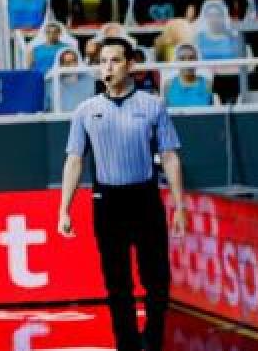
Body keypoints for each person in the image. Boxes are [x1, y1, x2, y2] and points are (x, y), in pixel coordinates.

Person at [57, 37, 186, 351]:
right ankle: (126, 344)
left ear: (131, 65)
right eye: (103, 61)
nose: (107, 67)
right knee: (117, 282)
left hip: (144, 198)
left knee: (156, 279)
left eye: (114, 60)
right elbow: (74, 159)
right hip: (107, 202)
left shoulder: (153, 105)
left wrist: (180, 206)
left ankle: (153, 339)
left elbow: (170, 156)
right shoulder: (86, 110)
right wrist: (64, 208)